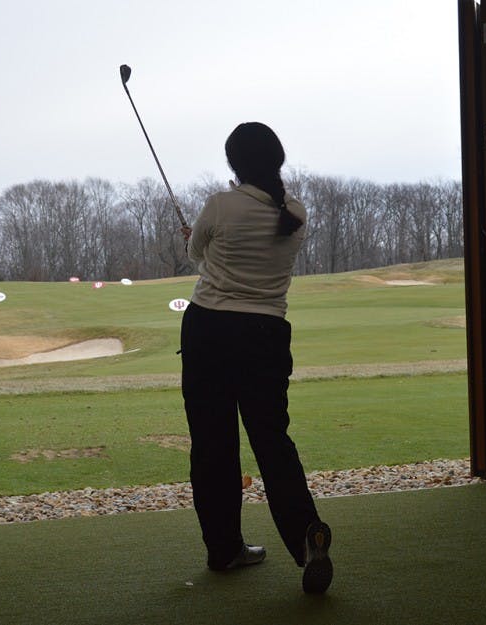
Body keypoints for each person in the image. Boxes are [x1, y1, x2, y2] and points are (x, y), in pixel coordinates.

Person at [179, 122, 333, 594]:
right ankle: (306, 534)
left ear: (233, 163)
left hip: (209, 330)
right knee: (272, 442)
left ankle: (224, 550)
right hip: (266, 334)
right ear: (277, 159)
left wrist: (195, 236)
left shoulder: (220, 205)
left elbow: (196, 256)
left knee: (213, 444)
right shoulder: (297, 213)